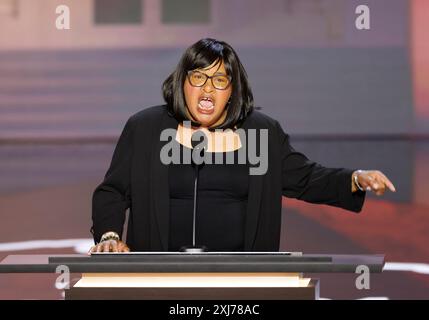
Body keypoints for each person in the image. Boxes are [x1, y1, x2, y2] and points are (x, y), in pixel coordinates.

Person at [89, 38, 395, 253]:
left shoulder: (261, 132)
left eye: (220, 80)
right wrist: (110, 235)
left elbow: (304, 178)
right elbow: (113, 191)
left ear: (233, 91)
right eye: (198, 77)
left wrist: (355, 179)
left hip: (242, 275)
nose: (208, 88)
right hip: (159, 274)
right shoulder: (146, 129)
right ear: (182, 82)